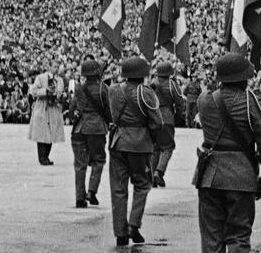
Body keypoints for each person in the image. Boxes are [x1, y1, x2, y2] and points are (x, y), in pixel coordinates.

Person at [193, 53, 261, 253]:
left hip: (209, 175)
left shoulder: (204, 100)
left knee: (212, 239)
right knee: (239, 236)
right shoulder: (250, 102)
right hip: (241, 176)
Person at [107, 56, 162, 247]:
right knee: (142, 184)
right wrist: (150, 139)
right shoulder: (145, 93)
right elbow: (157, 122)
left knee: (118, 188)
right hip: (140, 143)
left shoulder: (113, 90)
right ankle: (133, 224)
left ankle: (120, 233)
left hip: (117, 141)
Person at [69, 59, 110, 208]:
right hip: (97, 128)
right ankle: (92, 191)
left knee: (80, 164)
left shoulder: (79, 88)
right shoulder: (102, 88)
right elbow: (108, 109)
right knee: (98, 161)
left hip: (80, 128)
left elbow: (72, 107)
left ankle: (79, 197)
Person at [151, 61, 185, 187]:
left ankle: (152, 174)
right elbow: (180, 103)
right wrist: (177, 116)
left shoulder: (152, 84)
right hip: (167, 117)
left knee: (155, 148)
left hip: (154, 117)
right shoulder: (172, 85)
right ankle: (159, 172)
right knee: (167, 147)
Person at [28, 66, 66, 165]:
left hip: (53, 108)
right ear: (49, 67)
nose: (56, 69)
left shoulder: (60, 80)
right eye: (54, 67)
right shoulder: (40, 78)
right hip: (42, 108)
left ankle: (46, 157)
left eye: (58, 67)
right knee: (42, 134)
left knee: (51, 134)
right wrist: (45, 91)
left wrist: (60, 95)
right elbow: (33, 91)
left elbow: (61, 92)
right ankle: (42, 158)